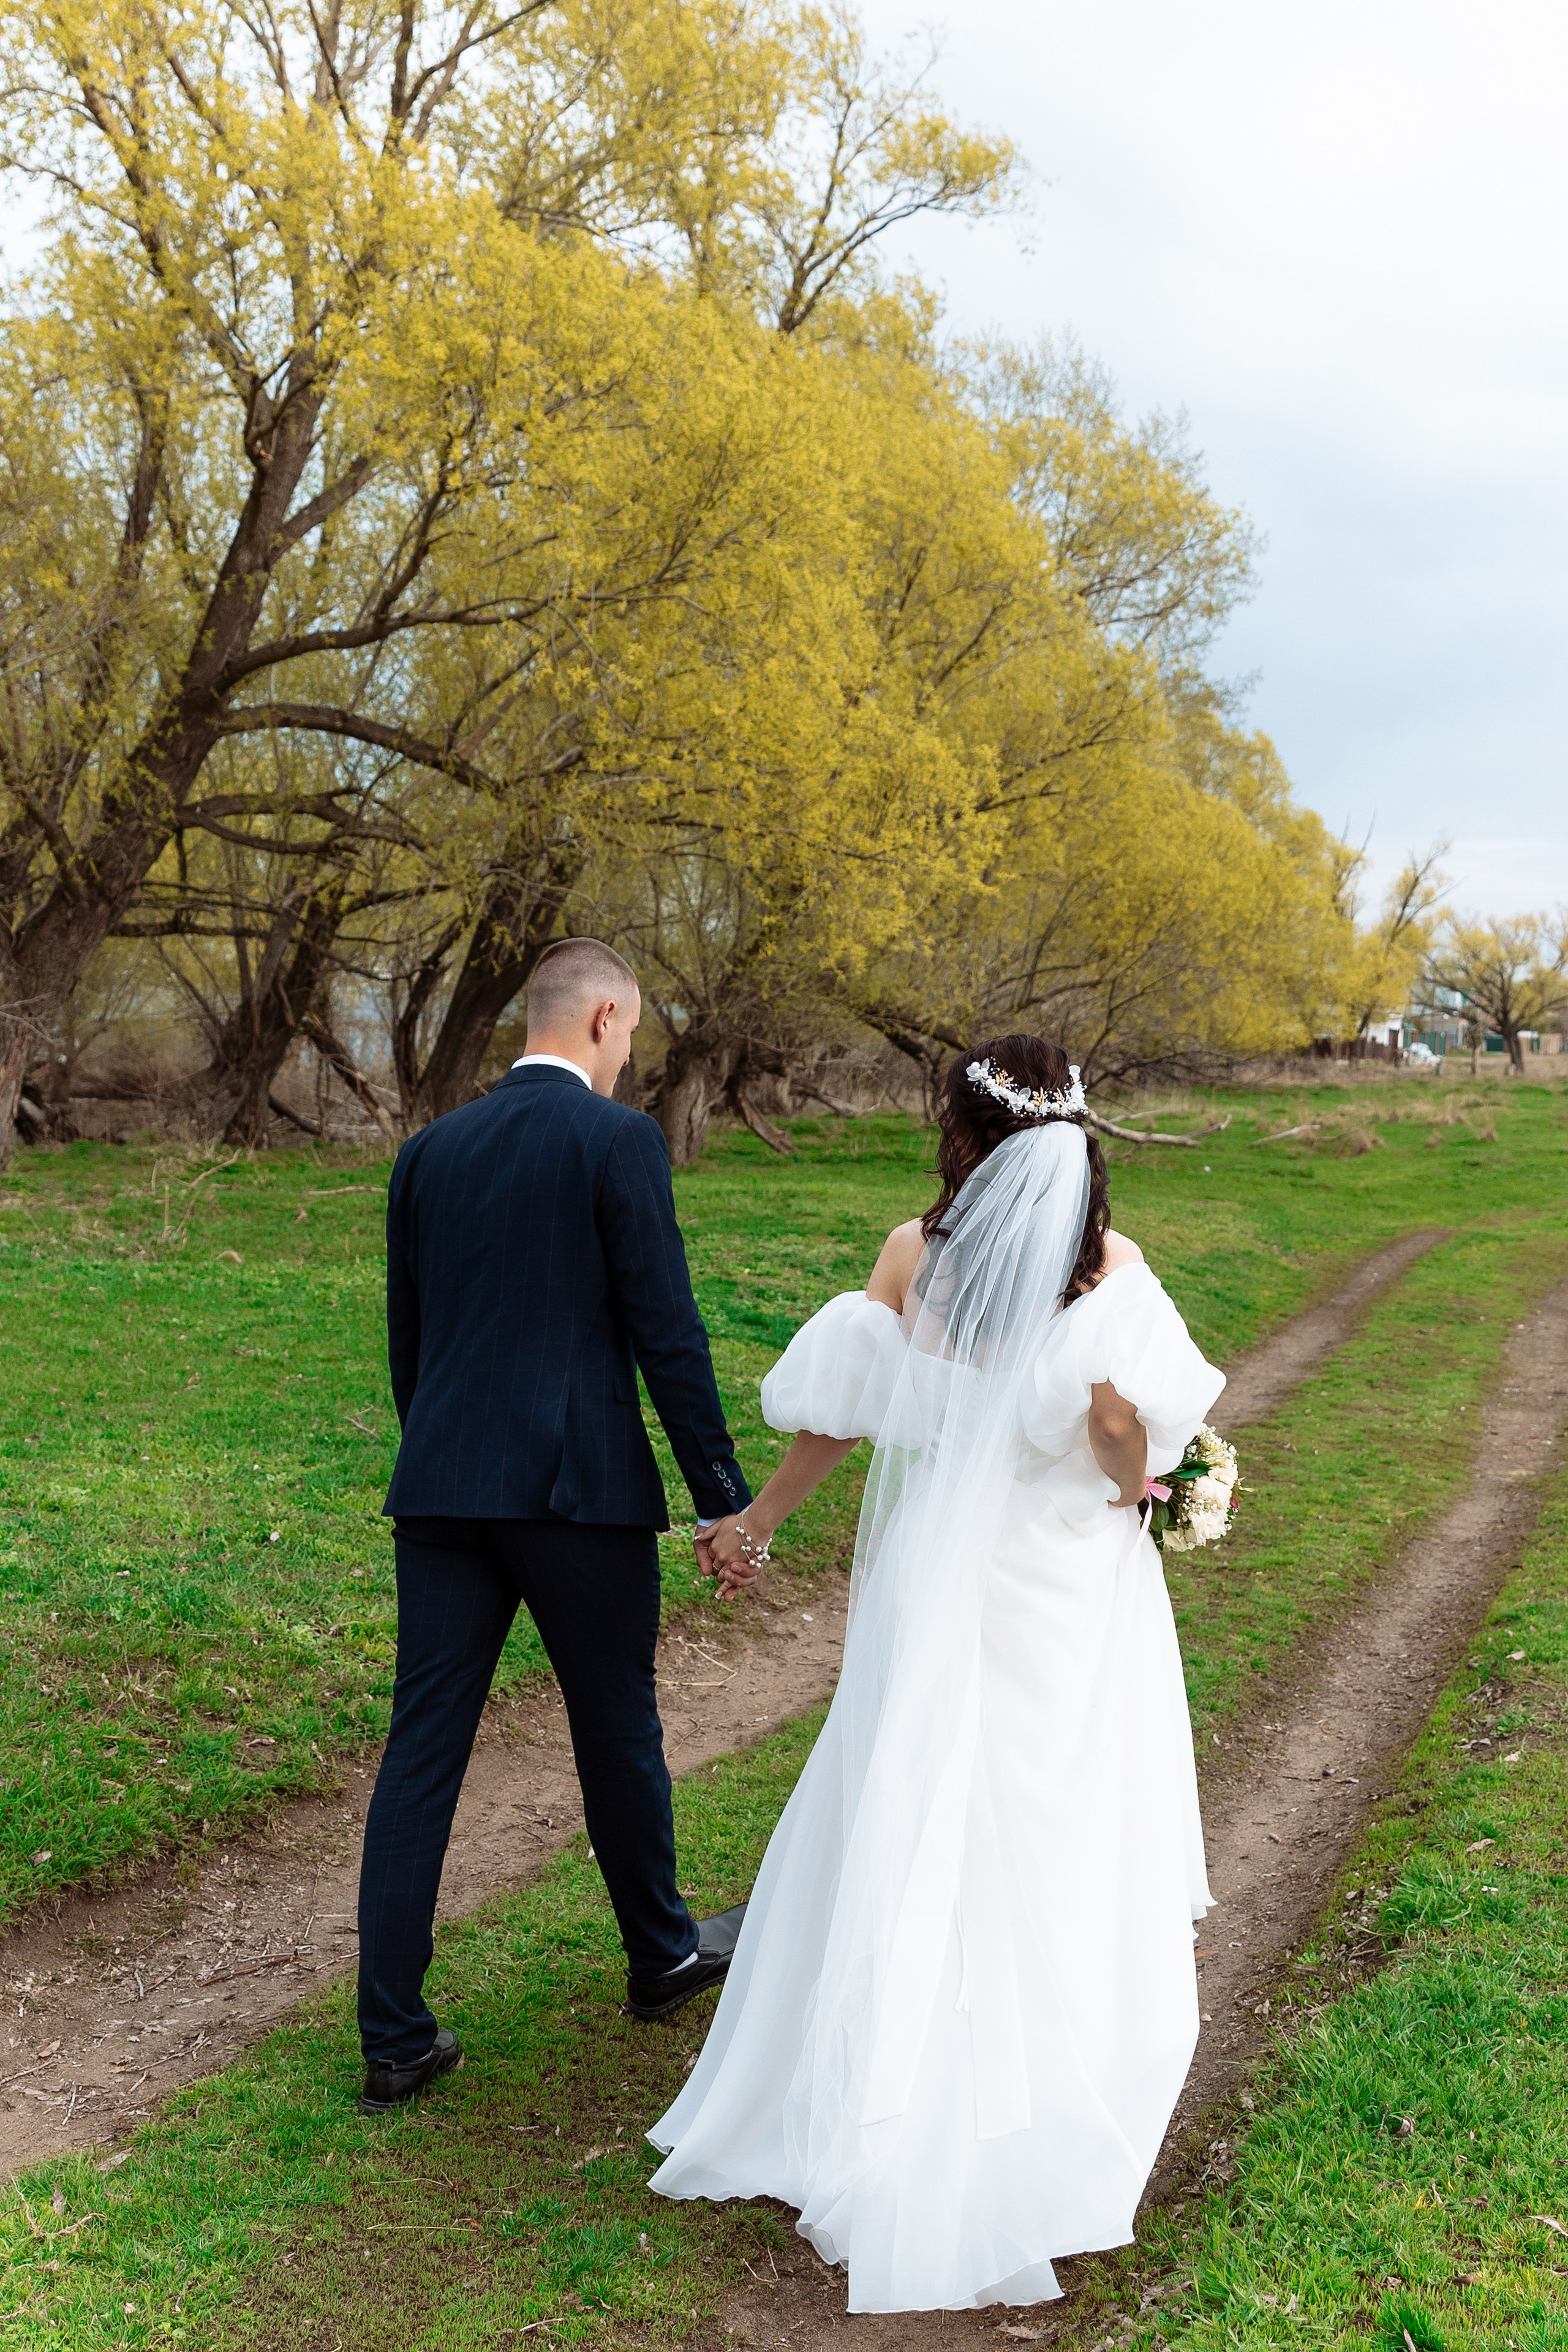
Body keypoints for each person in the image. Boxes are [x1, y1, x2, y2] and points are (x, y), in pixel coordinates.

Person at [647, 1035, 1224, 2312]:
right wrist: (1148, 1476)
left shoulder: (914, 1258)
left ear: (958, 1136)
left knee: (910, 1810)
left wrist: (756, 1524)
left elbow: (844, 1413)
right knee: (1047, 1828)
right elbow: (1125, 1450)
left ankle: (878, 2092)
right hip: (1063, 1587)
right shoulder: (1115, 1274)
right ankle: (1034, 2110)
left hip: (934, 1583)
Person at [355, 938, 752, 2117]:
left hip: (440, 1488)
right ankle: (661, 1955)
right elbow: (666, 1334)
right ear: (603, 1018)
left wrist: (443, 1453)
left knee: (421, 1750)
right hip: (578, 1493)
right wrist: (720, 1497)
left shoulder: (428, 1152)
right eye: (629, 1035)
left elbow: (409, 1347)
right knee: (615, 1723)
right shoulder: (617, 1143)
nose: (631, 1057)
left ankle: (393, 2038)